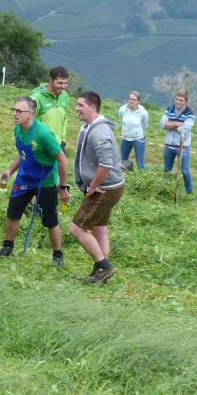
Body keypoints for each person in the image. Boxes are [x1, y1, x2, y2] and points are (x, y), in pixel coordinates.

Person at [0, 97, 70, 269]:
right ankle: (7, 248)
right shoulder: (17, 130)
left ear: (31, 114)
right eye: (14, 110)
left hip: (46, 179)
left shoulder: (43, 134)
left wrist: (62, 187)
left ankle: (58, 256)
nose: (15, 114)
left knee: (50, 220)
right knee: (13, 213)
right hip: (24, 178)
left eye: (19, 111)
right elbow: (22, 152)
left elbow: (62, 160)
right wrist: (10, 171)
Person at [69, 92, 125, 284]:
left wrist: (93, 186)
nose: (76, 108)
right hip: (111, 187)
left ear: (93, 107)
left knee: (77, 229)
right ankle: (101, 273)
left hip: (104, 189)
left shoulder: (99, 131)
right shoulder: (91, 127)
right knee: (99, 229)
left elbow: (106, 163)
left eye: (80, 105)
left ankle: (104, 267)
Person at [160, 90, 195, 194]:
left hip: (183, 146)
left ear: (186, 101)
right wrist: (178, 124)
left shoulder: (190, 112)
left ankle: (189, 191)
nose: (178, 102)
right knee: (167, 169)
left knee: (184, 170)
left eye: (181, 100)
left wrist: (170, 124)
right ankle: (166, 189)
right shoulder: (169, 109)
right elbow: (162, 125)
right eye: (177, 99)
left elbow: (185, 129)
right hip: (169, 144)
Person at [31, 66, 70, 150]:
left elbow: (64, 118)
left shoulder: (64, 95)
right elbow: (28, 122)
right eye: (59, 83)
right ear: (50, 80)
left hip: (58, 145)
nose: (63, 86)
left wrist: (63, 140)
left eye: (65, 83)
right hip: (41, 146)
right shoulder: (36, 98)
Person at [117, 91, 149, 170]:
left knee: (140, 163)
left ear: (138, 101)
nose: (131, 101)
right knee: (123, 162)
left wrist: (136, 133)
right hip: (125, 138)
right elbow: (121, 121)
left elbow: (144, 125)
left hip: (138, 139)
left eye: (134, 100)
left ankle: (143, 180)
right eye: (130, 99)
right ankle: (125, 179)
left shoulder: (143, 113)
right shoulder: (122, 109)